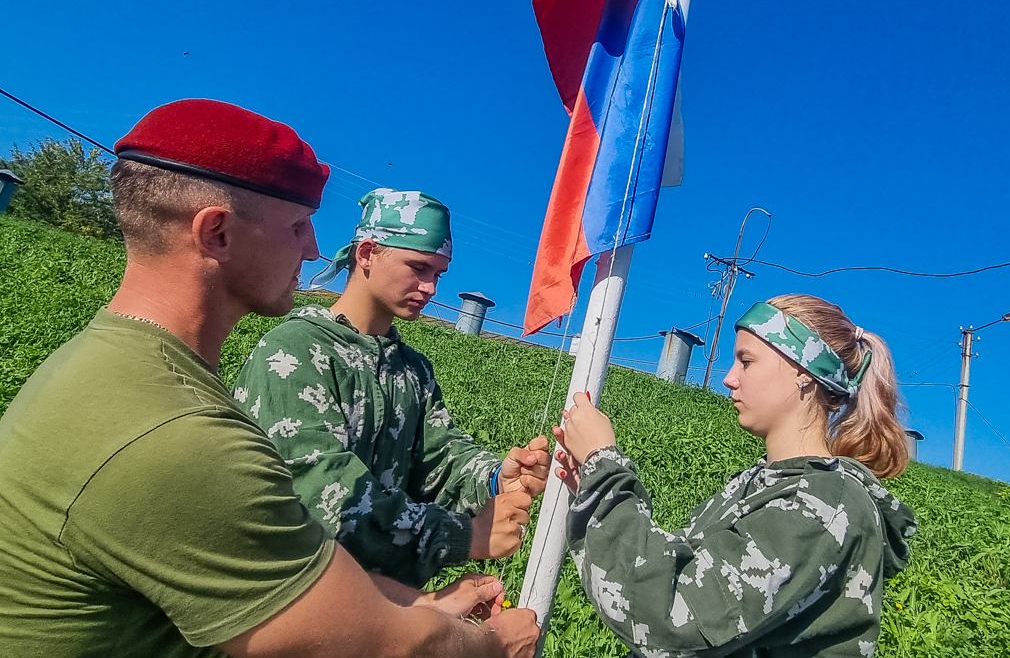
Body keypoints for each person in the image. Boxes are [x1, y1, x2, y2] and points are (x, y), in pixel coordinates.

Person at [0, 99, 538, 658]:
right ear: (218, 234)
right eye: (298, 226)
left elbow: (277, 577)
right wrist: (492, 644)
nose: (312, 248)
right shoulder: (175, 433)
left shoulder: (123, 376)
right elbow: (366, 645)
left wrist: (422, 605)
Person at [553, 294, 918, 658]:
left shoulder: (824, 506)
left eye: (746, 361)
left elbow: (670, 621)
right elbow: (675, 568)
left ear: (804, 374)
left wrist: (603, 470)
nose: (729, 378)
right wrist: (593, 490)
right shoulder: (769, 484)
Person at [233, 187, 551, 588]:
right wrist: (459, 535)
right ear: (366, 254)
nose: (431, 287)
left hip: (378, 609)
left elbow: (440, 458)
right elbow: (318, 489)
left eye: (438, 274)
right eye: (418, 267)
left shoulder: (413, 370)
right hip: (288, 602)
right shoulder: (297, 351)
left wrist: (497, 478)